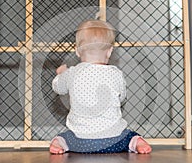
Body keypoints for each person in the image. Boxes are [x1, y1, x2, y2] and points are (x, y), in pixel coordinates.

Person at [50, 19, 152, 154]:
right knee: (129, 135)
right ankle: (136, 142)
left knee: (63, 137)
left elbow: (58, 88)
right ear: (109, 51)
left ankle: (58, 144)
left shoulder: (72, 73)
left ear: (77, 51)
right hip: (114, 141)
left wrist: (61, 74)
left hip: (81, 143)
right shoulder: (116, 73)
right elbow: (121, 98)